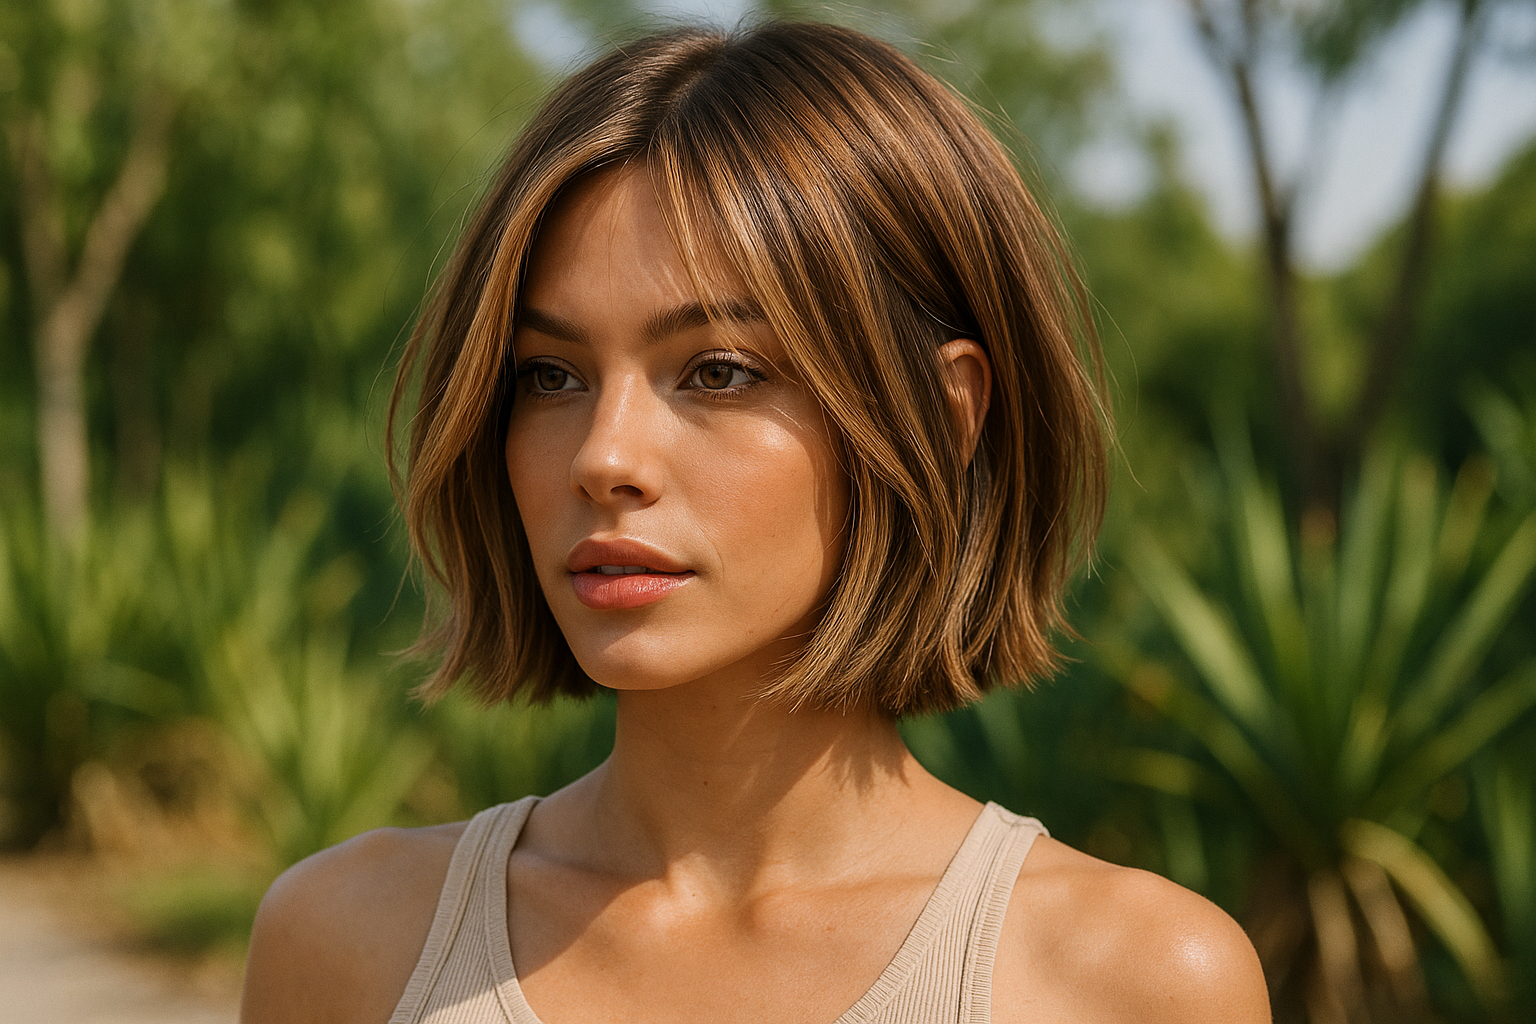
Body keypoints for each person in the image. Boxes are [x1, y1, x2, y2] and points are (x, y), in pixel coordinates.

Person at [240, 20, 1271, 1024]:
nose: (604, 456)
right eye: (550, 376)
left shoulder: (1134, 985)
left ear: (944, 411)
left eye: (719, 370)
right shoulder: (350, 946)